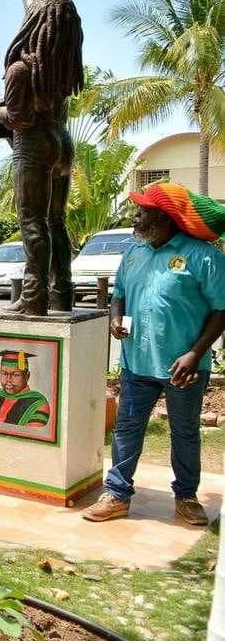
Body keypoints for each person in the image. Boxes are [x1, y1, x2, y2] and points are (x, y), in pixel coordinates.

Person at [82, 183, 225, 524]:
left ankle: (187, 498)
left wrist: (195, 354)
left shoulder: (204, 256)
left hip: (183, 367)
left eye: (142, 210)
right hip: (136, 362)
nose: (135, 215)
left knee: (185, 431)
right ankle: (116, 494)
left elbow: (222, 309)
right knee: (128, 428)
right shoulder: (134, 251)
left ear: (163, 218)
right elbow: (119, 293)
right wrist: (116, 318)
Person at [0, 0, 82, 316]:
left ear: (35, 26)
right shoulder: (59, 72)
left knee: (33, 221)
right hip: (62, 144)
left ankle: (33, 297)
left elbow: (18, 120)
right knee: (56, 222)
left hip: (34, 148)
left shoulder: (21, 70)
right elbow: (36, 10)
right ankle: (61, 292)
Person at [0, 350, 50, 427]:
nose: (8, 380)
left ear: (27, 376)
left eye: (16, 375)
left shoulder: (39, 405)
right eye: (4, 373)